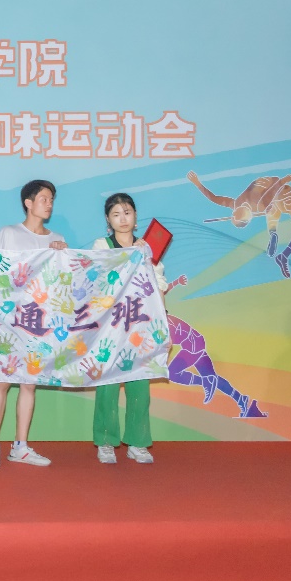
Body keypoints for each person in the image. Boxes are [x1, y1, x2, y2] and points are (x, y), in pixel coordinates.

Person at [0, 179, 66, 468]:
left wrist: (62, 254)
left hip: (38, 323)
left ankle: (20, 446)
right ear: (28, 203)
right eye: (44, 198)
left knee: (29, 384)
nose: (49, 204)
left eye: (51, 199)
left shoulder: (57, 240)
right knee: (2, 383)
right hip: (8, 323)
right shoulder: (8, 234)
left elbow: (63, 282)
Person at [90, 193, 173, 465]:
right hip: (111, 326)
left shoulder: (148, 248)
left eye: (127, 212)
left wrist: (163, 324)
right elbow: (99, 278)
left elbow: (158, 286)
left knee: (140, 382)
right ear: (108, 220)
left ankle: (137, 442)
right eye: (116, 214)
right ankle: (105, 441)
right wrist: (130, 256)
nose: (122, 219)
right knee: (107, 383)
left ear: (136, 217)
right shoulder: (102, 245)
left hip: (142, 324)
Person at [186, 171, 291, 278]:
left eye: (236, 216)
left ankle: (277, 243)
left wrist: (198, 184)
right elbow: (270, 195)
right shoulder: (250, 203)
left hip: (275, 194)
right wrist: (283, 181)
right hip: (280, 197)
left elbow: (214, 198)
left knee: (282, 215)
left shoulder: (238, 203)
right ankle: (275, 238)